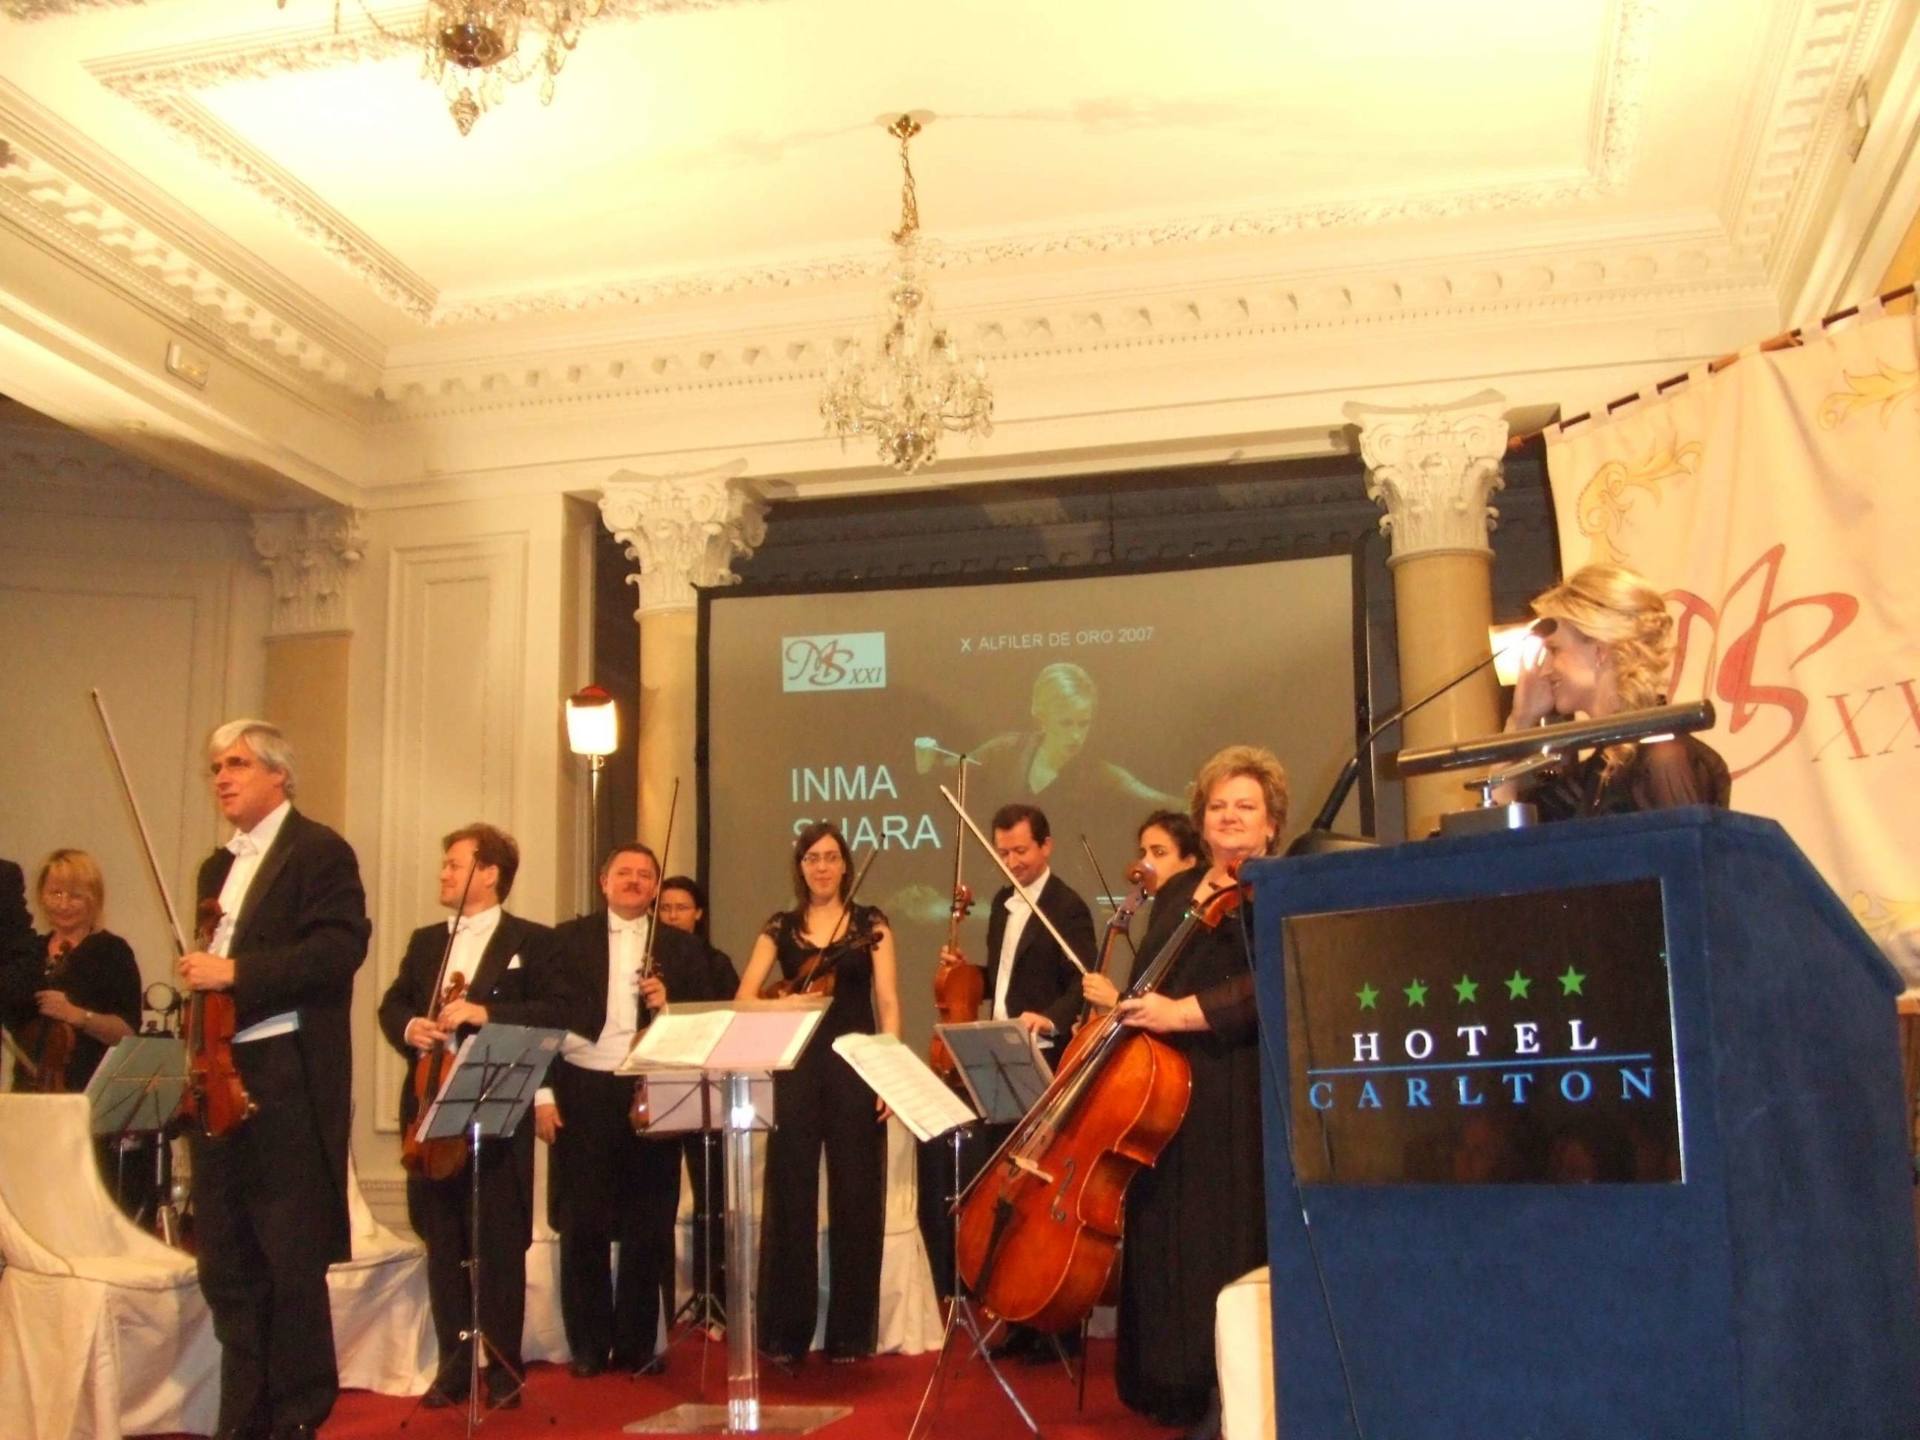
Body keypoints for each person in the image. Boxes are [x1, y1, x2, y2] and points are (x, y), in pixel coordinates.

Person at [176, 719, 370, 1440]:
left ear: (278, 774)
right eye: (216, 767)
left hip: (285, 1076)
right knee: (226, 1262)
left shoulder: (318, 850)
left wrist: (235, 971)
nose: (222, 778)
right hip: (218, 1076)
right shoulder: (216, 868)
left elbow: (338, 950)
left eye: (237, 764)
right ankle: (243, 1417)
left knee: (290, 1259)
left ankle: (296, 1415)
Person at [1106, 744, 1283, 1439]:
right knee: (1163, 1236)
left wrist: (1182, 1014)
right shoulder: (1180, 892)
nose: (1230, 817)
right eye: (1218, 807)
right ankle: (1169, 1384)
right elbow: (1148, 977)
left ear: (1271, 823)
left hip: (1232, 1089)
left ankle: (1222, 1393)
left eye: (1246, 807)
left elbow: (1269, 986)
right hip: (1161, 1096)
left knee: (1220, 1236)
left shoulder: (1275, 888)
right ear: (1202, 820)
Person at [377, 824, 571, 1410]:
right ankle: (454, 1369)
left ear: (489, 873)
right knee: (443, 1242)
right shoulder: (425, 941)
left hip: (496, 1102)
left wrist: (484, 1013)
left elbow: (556, 1010)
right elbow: (393, 1004)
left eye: (454, 864)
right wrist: (411, 1027)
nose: (443, 873)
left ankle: (505, 1368)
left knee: (499, 1242)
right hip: (430, 1105)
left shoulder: (532, 940)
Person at [534, 842, 705, 1378]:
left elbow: (701, 1019)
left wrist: (667, 1003)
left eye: (645, 874)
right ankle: (588, 1345)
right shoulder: (564, 939)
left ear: (655, 886)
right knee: (582, 1220)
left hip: (651, 1084)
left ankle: (638, 1344)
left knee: (650, 1220)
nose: (634, 880)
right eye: (624, 872)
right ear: (603, 881)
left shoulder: (681, 948)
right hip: (582, 1084)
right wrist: (543, 1094)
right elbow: (542, 1018)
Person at [734, 822, 902, 1366]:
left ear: (845, 865)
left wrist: (889, 1071)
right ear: (801, 867)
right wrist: (783, 1003)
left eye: (831, 857)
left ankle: (850, 1334)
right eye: (813, 858)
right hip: (798, 1069)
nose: (823, 867)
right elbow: (744, 997)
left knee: (856, 1195)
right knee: (791, 1196)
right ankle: (786, 1334)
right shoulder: (781, 927)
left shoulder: (870, 923)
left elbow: (888, 1002)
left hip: (855, 1066)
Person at [1502, 562, 1732, 817]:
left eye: (1554, 650)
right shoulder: (1599, 769)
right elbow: (1501, 828)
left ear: (1600, 652)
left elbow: (1685, 843)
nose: (1545, 670)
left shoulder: (1664, 759)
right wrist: (1519, 721)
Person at [655, 874, 738, 1324]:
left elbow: (732, 1020)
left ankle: (712, 1298)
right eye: (664, 908)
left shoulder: (716, 963)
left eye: (681, 908)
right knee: (658, 1199)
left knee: (712, 1198)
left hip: (707, 1089)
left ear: (699, 913)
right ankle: (661, 1303)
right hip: (658, 1088)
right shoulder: (646, 962)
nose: (672, 916)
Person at [1, 849, 139, 1092]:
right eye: (55, 893)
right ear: (41, 896)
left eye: (75, 896)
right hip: (27, 1089)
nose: (63, 904)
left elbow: (127, 1033)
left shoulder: (112, 951)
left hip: (85, 1090)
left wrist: (79, 1016)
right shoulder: (29, 952)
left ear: (94, 899)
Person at [1079, 808, 1204, 1016]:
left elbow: (1172, 995)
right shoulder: (1166, 903)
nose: (1145, 863)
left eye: (1159, 853)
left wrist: (1115, 999)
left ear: (1189, 862)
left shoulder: (1183, 909)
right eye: (1143, 853)